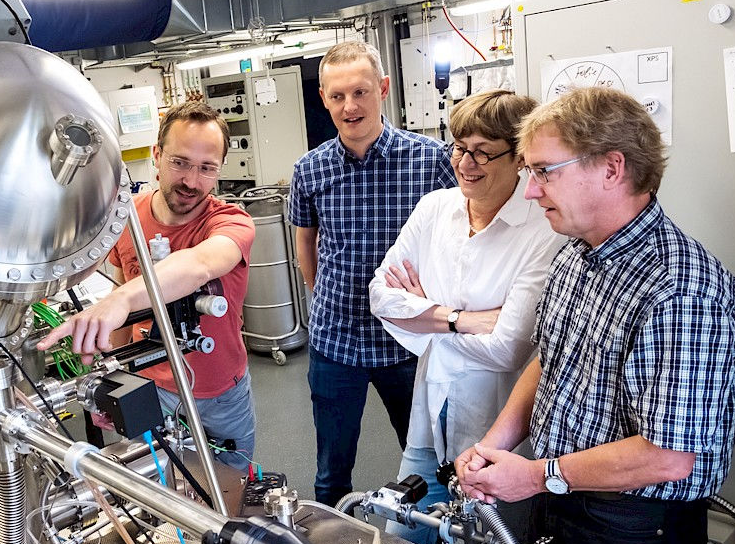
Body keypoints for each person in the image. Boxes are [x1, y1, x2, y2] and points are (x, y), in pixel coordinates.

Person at [456, 87, 735, 544]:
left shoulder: (681, 292)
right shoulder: (575, 254)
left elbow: (668, 457)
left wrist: (538, 475)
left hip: (628, 528)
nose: (530, 190)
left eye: (545, 171)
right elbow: (551, 359)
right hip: (558, 496)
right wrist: (496, 446)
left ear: (612, 168)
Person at [369, 90, 563, 544]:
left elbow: (508, 349)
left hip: (495, 433)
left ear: (519, 158)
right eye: (458, 147)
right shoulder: (435, 208)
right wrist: (460, 319)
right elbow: (381, 295)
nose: (465, 162)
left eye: (482, 151)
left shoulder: (542, 229)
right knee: (402, 539)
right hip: (427, 417)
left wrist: (422, 318)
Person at [38, 101, 257, 470]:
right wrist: (110, 381)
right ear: (157, 154)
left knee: (230, 491)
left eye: (206, 169)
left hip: (220, 394)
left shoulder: (233, 222)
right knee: (158, 496)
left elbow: (201, 264)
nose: (191, 180)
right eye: (180, 162)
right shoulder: (127, 217)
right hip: (148, 388)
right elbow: (120, 294)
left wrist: (124, 298)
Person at [289, 41, 456, 506]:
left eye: (360, 92)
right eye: (337, 96)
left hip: (408, 340)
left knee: (425, 462)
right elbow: (306, 236)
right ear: (323, 98)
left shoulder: (431, 160)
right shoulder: (310, 169)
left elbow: (460, 230)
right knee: (331, 472)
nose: (350, 106)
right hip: (336, 339)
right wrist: (315, 287)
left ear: (382, 89)